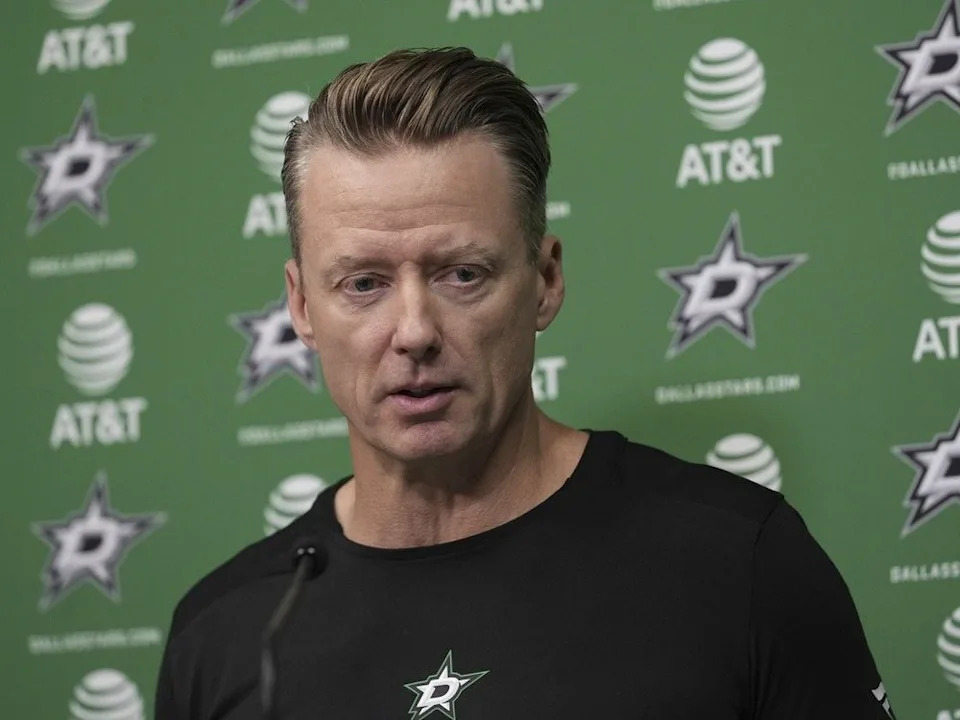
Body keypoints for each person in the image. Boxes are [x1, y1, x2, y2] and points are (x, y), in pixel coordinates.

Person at [155, 47, 896, 719]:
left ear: (544, 281)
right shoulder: (226, 632)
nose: (414, 330)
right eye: (364, 283)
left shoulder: (741, 565)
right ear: (301, 305)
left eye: (462, 273)